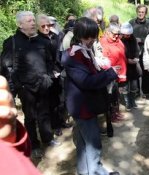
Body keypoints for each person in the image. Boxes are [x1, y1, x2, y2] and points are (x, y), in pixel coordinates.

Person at [62, 17, 120, 175]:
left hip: (85, 104)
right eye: (88, 36)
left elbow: (92, 73)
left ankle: (84, 171)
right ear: (80, 35)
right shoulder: (73, 55)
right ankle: (96, 171)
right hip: (82, 107)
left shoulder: (84, 51)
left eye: (93, 36)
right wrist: (110, 74)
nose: (92, 40)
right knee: (93, 143)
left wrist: (107, 71)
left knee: (83, 143)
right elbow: (86, 81)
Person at [0, 11, 59, 158]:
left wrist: (49, 76)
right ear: (20, 24)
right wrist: (15, 87)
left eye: (33, 20)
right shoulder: (11, 42)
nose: (33, 23)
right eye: (29, 21)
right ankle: (34, 144)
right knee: (30, 117)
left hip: (43, 84)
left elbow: (50, 61)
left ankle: (48, 138)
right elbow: (6, 67)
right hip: (25, 88)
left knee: (44, 113)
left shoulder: (42, 41)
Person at [0, 75, 42, 175]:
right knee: (30, 117)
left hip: (35, 84)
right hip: (24, 88)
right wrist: (20, 87)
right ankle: (35, 146)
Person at [100, 23, 127, 123]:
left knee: (116, 95)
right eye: (114, 34)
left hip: (119, 73)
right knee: (110, 96)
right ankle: (111, 115)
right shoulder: (103, 42)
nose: (117, 36)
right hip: (110, 74)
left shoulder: (118, 40)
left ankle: (115, 112)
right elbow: (103, 61)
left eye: (118, 34)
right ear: (107, 32)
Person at [129, 4, 149, 98]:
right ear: (137, 12)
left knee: (146, 72)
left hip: (146, 51)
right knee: (135, 72)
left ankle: (146, 92)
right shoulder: (131, 22)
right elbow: (127, 35)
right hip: (134, 51)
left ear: (146, 13)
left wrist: (142, 40)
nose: (140, 14)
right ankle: (136, 92)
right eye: (139, 12)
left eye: (143, 12)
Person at [120, 22, 141, 110]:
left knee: (134, 85)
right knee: (125, 86)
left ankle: (133, 101)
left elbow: (137, 50)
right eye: (126, 35)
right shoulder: (120, 41)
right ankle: (127, 102)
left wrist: (136, 58)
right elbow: (120, 53)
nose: (128, 36)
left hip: (133, 67)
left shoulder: (134, 39)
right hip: (124, 67)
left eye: (129, 34)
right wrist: (127, 59)